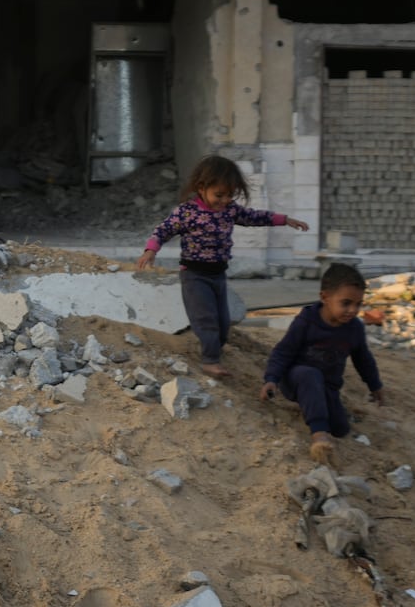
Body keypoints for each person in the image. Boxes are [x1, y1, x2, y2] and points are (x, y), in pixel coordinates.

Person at [136, 154, 309, 377]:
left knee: (223, 322)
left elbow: (254, 217)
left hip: (218, 275)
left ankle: (215, 351)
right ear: (201, 187)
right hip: (194, 276)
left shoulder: (230, 210)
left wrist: (284, 219)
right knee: (206, 319)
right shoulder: (187, 212)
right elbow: (163, 230)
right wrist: (151, 250)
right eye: (219, 195)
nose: (225, 200)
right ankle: (209, 361)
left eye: (230, 195)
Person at [260, 262, 384, 465]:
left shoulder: (354, 329)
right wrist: (271, 379)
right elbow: (283, 351)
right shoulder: (306, 321)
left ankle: (319, 415)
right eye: (346, 303)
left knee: (340, 428)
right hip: (297, 380)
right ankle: (318, 435)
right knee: (310, 375)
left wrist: (375, 385)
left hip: (327, 386)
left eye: (358, 304)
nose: (353, 310)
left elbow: (363, 359)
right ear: (325, 297)